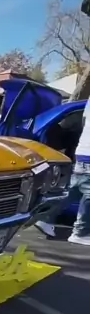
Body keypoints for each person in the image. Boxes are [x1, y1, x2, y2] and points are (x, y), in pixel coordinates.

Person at [35, 102, 90, 243]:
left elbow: (84, 121)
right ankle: (81, 233)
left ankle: (45, 218)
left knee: (74, 190)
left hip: (83, 151)